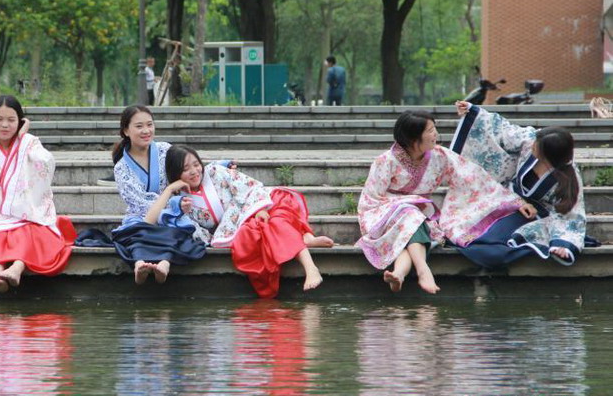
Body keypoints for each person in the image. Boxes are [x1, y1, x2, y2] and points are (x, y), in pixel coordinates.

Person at [357, 111, 529, 293]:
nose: (436, 134)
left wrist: (516, 202)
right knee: (410, 215)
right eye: (430, 131)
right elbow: (371, 198)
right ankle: (423, 270)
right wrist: (406, 203)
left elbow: (471, 177)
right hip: (385, 213)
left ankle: (399, 273)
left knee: (408, 230)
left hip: (419, 215)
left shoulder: (440, 156)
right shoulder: (385, 161)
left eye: (434, 129)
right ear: (413, 138)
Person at [150, 145, 334, 298]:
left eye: (196, 164)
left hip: (257, 205)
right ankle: (303, 239)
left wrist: (259, 208)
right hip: (238, 225)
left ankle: (311, 267)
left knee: (275, 218)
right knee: (262, 230)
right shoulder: (180, 201)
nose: (194, 171)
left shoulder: (215, 172)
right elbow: (191, 230)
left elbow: (249, 187)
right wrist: (179, 207)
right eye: (185, 169)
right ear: (175, 173)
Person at [0, 95, 76, 292]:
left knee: (29, 231)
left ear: (20, 122)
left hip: (26, 211)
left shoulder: (29, 145)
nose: (5, 125)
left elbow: (45, 165)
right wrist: (2, 213)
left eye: (11, 120)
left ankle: (16, 269)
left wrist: (23, 138)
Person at [451, 101, 588, 267]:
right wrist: (473, 112)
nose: (533, 144)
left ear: (549, 154)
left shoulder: (568, 176)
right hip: (509, 198)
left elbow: (571, 215)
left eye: (537, 145)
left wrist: (563, 243)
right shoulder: (530, 140)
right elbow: (503, 129)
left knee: (487, 245)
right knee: (464, 231)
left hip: (535, 214)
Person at [112, 105, 206, 284]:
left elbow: (190, 166)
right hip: (141, 216)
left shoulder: (165, 150)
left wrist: (219, 166)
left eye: (150, 125)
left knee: (178, 231)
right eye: (139, 126)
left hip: (172, 213)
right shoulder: (121, 167)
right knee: (137, 233)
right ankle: (139, 265)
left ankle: (164, 264)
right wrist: (169, 193)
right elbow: (143, 210)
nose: (146, 131)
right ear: (126, 130)